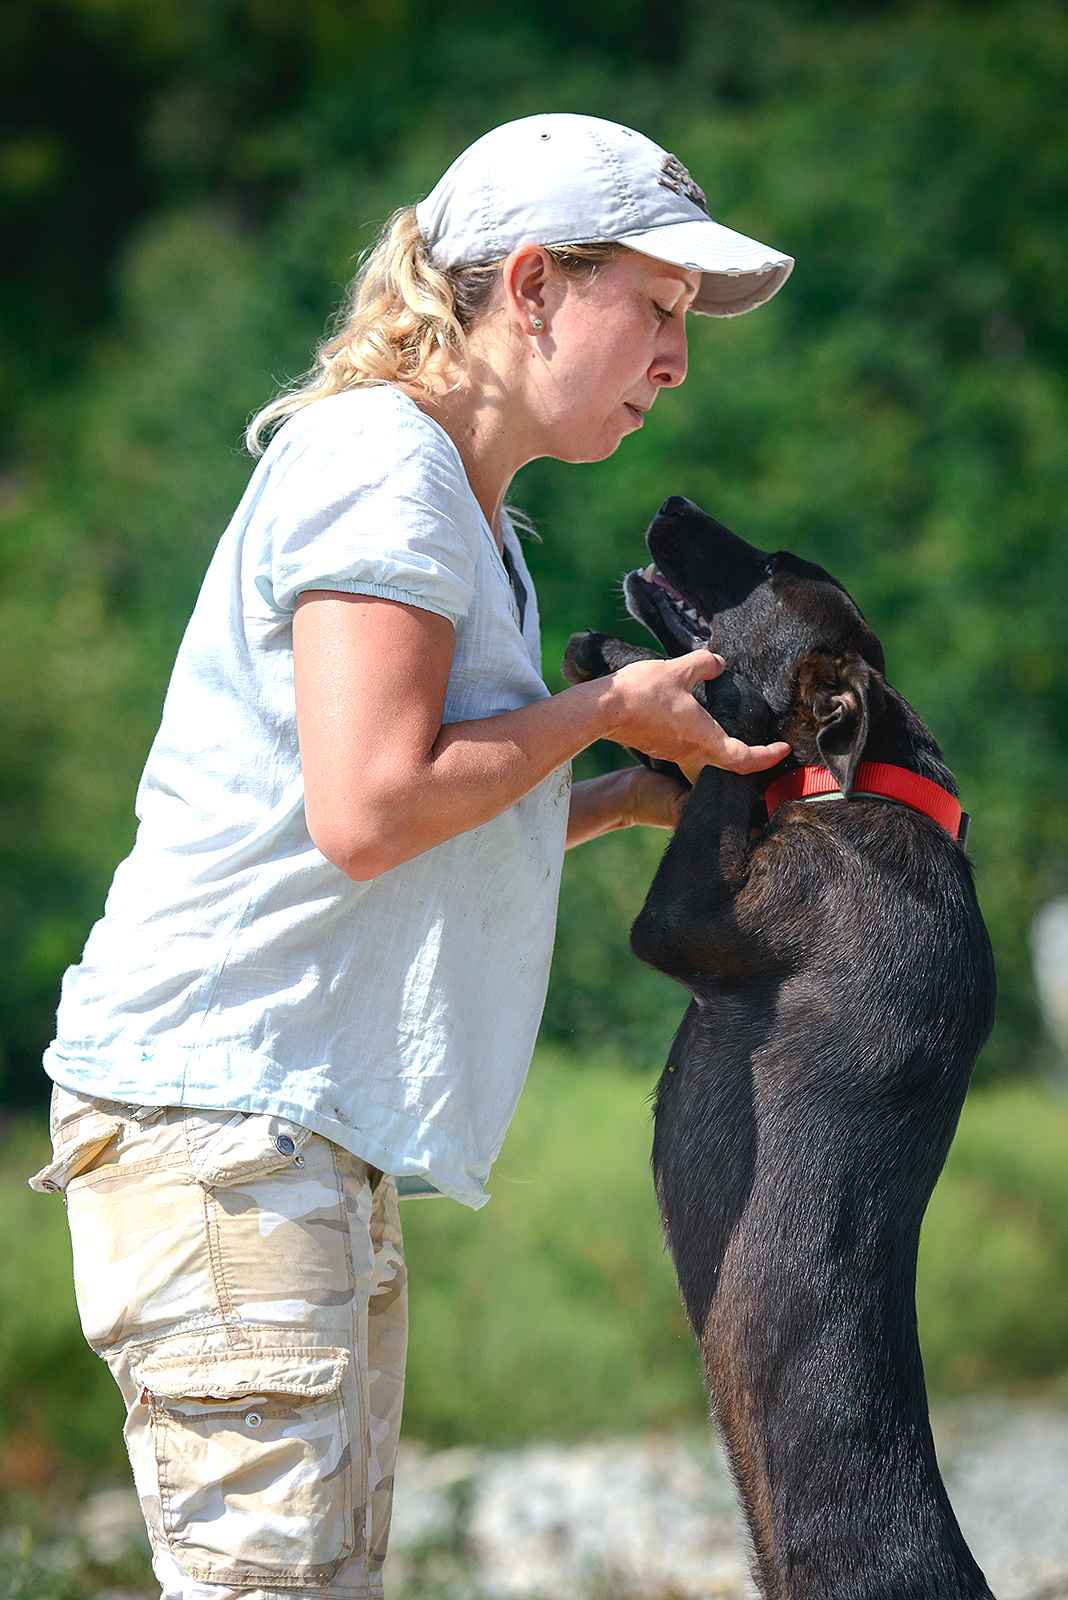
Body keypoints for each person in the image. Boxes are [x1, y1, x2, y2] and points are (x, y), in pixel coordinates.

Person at [31, 114, 793, 1600]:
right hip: (230, 1133)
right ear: (530, 287)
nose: (674, 359)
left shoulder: (458, 501)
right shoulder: (387, 472)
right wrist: (593, 714)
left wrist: (617, 797)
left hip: (281, 1134)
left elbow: (389, 837)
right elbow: (371, 809)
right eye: (656, 307)